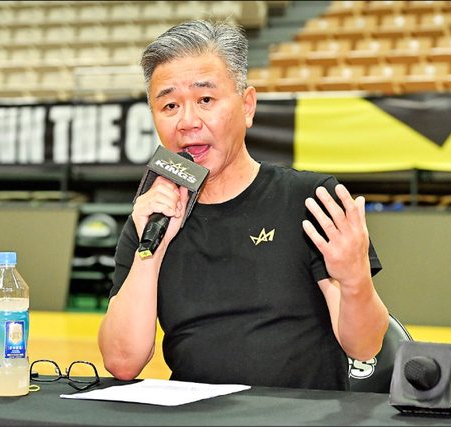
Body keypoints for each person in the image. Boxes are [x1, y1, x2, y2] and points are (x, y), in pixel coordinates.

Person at [98, 19, 389, 391]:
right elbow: (122, 363)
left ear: (247, 106)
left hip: (299, 413)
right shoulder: (151, 217)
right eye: (169, 105)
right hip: (194, 413)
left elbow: (364, 346)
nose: (187, 121)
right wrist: (150, 251)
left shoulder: (311, 200)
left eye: (205, 100)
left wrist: (354, 281)